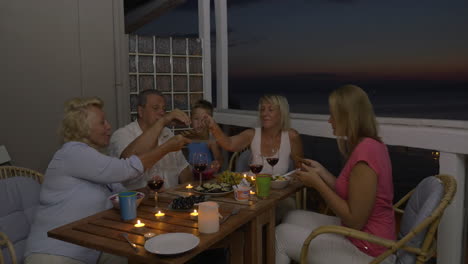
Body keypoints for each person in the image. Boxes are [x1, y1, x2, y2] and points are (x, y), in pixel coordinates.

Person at [24, 97, 190, 264]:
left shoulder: (95, 159)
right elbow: (127, 169)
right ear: (83, 128)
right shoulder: (72, 154)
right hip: (55, 253)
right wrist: (166, 148)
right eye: (102, 122)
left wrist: (147, 191)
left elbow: (122, 196)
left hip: (90, 249)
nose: (108, 126)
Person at [275, 85, 396, 264]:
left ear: (348, 118)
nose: (330, 120)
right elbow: (352, 192)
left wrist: (318, 184)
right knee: (294, 216)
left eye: (333, 115)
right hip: (363, 237)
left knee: (281, 235)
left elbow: (354, 221)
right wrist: (321, 171)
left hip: (370, 252)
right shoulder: (369, 144)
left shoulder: (365, 158)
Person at [108, 89, 193, 190]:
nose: (161, 112)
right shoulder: (122, 135)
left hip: (170, 200)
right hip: (138, 203)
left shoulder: (167, 133)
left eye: (163, 109)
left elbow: (183, 170)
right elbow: (128, 164)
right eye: (155, 108)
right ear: (140, 111)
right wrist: (163, 121)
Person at [203, 94, 303, 175]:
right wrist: (213, 127)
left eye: (270, 110)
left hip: (279, 193)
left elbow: (300, 170)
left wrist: (288, 184)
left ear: (281, 113)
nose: (264, 113)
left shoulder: (291, 136)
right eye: (262, 109)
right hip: (252, 190)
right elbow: (229, 144)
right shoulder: (252, 134)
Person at [185, 99, 223, 180]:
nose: (200, 123)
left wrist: (217, 163)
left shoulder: (211, 140)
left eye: (204, 119)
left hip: (208, 178)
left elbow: (219, 159)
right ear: (191, 120)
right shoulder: (187, 138)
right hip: (191, 178)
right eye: (196, 119)